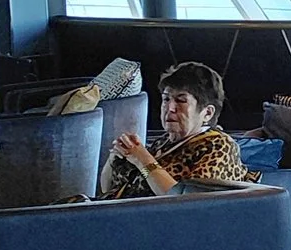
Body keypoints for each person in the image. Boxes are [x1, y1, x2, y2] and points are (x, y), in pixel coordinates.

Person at [99, 62, 257, 199]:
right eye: (166, 99)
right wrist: (115, 157)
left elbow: (188, 205)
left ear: (207, 113)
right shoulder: (163, 143)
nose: (170, 108)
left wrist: (143, 159)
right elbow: (108, 191)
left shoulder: (219, 147)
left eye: (181, 100)